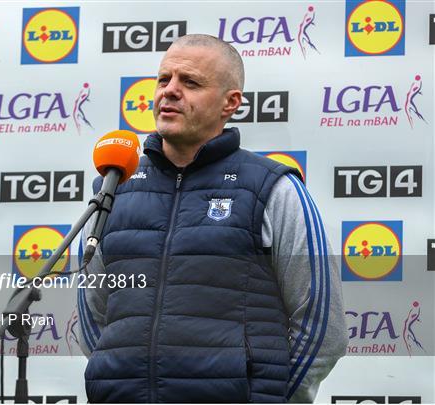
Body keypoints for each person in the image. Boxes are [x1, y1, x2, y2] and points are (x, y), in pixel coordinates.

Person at [75, 34, 348, 403]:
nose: (170, 91)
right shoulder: (113, 187)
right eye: (163, 79)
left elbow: (321, 327)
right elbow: (94, 321)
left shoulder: (273, 188)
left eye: (190, 82)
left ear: (230, 102)